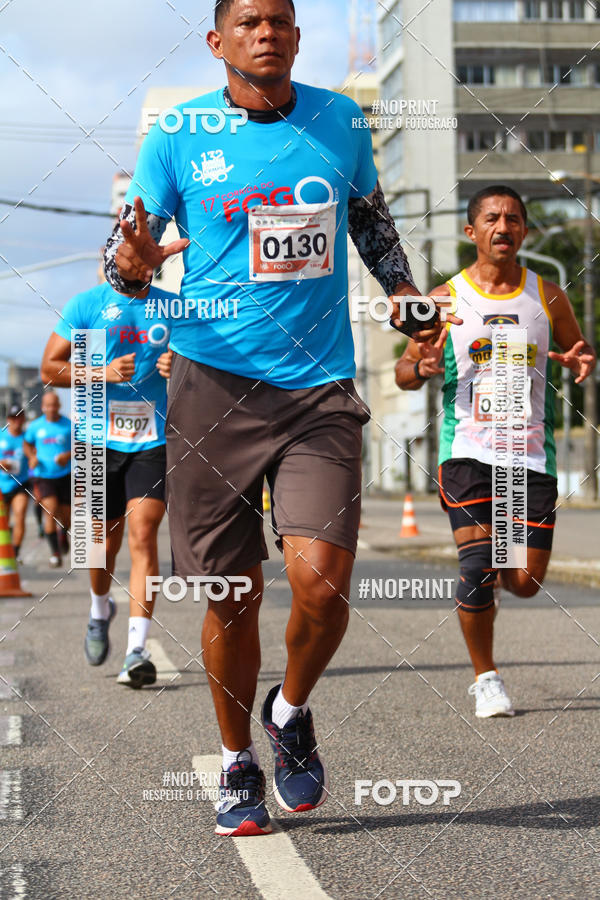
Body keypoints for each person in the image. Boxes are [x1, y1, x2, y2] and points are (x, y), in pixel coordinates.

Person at [102, 0, 451, 836]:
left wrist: (401, 291)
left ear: (297, 37)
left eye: (282, 20)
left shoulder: (340, 117)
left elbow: (367, 217)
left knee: (323, 585)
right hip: (210, 384)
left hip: (319, 388)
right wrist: (135, 268)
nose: (268, 32)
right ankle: (236, 762)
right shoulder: (177, 134)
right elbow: (125, 268)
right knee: (229, 595)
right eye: (250, 21)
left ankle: (289, 713)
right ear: (219, 41)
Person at [395, 184, 596, 718]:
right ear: (471, 231)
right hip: (466, 451)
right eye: (490, 218)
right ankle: (486, 678)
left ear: (524, 231)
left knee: (524, 581)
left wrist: (581, 361)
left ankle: (490, 589)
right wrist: (423, 367)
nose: (502, 227)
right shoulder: (441, 300)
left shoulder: (549, 296)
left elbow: (579, 349)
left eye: (512, 219)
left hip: (529, 455)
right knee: (478, 566)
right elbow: (403, 371)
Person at [41, 278, 176, 688]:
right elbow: (50, 368)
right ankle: (100, 610)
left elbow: (207, 353)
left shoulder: (173, 306)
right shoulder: (86, 306)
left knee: (143, 534)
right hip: (94, 437)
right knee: (98, 545)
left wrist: (180, 361)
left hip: (151, 437)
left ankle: (136, 651)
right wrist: (102, 371)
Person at [23, 391, 71, 568]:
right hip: (43, 476)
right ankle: (55, 554)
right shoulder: (36, 426)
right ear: (43, 407)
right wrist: (31, 457)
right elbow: (27, 444)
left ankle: (63, 533)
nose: (51, 409)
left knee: (66, 517)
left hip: (66, 475)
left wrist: (68, 455)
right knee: (50, 511)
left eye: (54, 405)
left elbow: (81, 445)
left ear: (59, 406)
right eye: (47, 405)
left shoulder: (69, 425)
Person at [0, 404, 30, 561]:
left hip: (21, 484)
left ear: (23, 419)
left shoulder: (27, 438)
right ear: (8, 420)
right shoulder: (1, 436)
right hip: (1, 485)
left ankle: (15, 551)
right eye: (13, 418)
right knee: (3, 520)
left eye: (19, 417)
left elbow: (35, 458)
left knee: (20, 514)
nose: (16, 421)